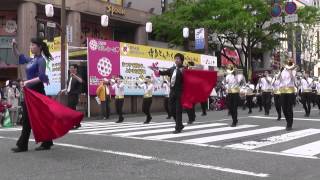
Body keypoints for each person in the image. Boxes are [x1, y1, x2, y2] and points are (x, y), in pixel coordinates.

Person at [11, 37, 54, 152]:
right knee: (26, 119)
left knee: (41, 118)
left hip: (38, 93)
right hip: (29, 94)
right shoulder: (31, 60)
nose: (31, 47)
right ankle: (23, 145)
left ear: (39, 47)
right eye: (30, 45)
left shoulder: (41, 60)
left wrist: (26, 82)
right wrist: (14, 46)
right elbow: (19, 56)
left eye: (33, 45)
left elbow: (41, 77)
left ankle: (46, 142)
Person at [152, 53, 185, 133]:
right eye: (175, 58)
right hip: (172, 92)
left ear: (181, 60)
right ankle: (179, 124)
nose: (176, 60)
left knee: (178, 111)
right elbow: (164, 72)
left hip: (180, 92)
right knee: (171, 109)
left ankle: (178, 128)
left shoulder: (184, 69)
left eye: (178, 59)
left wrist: (184, 71)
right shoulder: (172, 69)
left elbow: (189, 79)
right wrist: (156, 71)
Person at [279, 59, 297, 131]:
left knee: (289, 108)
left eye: (289, 64)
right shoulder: (282, 71)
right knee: (283, 108)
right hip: (283, 90)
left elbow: (293, 79)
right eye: (287, 63)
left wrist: (290, 71)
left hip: (290, 90)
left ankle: (289, 124)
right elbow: (279, 80)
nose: (288, 65)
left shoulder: (293, 71)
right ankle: (288, 121)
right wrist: (279, 73)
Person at [64, 64, 83, 129]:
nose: (70, 69)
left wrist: (74, 76)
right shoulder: (70, 77)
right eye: (70, 68)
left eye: (72, 68)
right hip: (70, 94)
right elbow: (69, 86)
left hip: (74, 95)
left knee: (71, 109)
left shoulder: (77, 75)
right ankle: (77, 123)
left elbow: (81, 81)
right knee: (72, 109)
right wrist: (65, 90)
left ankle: (72, 124)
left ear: (75, 69)